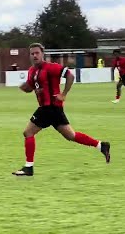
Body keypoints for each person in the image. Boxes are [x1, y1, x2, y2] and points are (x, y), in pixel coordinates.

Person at [12, 42, 111, 176]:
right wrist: (22, 86)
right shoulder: (31, 71)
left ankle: (29, 167)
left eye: (37, 53)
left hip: (50, 107)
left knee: (28, 133)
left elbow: (70, 75)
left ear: (43, 54)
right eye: (32, 53)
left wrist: (63, 94)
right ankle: (101, 145)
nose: (35, 55)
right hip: (52, 110)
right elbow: (29, 87)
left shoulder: (51, 67)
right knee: (71, 135)